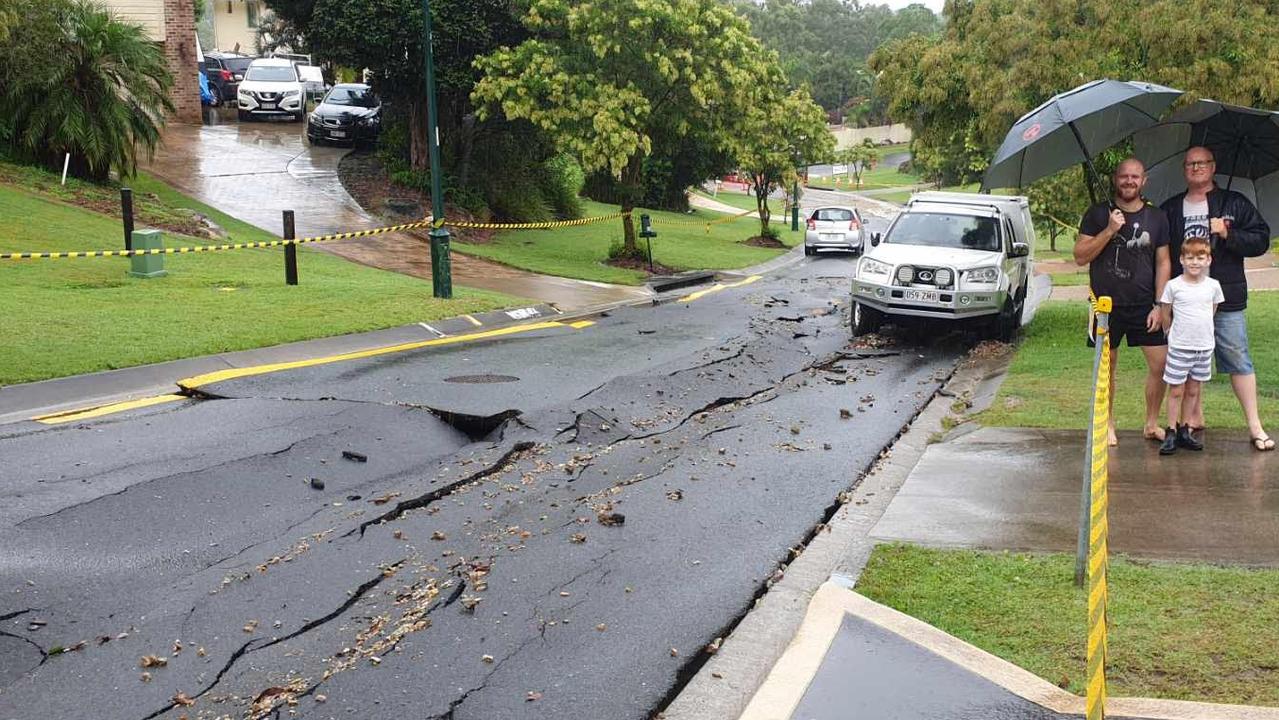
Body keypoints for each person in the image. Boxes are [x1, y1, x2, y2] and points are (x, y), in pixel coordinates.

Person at [1160, 147, 1274, 452]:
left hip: (1225, 298)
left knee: (1238, 358)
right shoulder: (1171, 208)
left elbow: (1261, 239)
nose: (1196, 168)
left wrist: (1228, 233)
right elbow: (1161, 255)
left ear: (1213, 166)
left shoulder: (1234, 203)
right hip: (1184, 302)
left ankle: (1255, 425)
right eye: (1190, 164)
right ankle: (1190, 420)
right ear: (1184, 169)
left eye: (1202, 163)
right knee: (1188, 363)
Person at [1074, 158, 1172, 446]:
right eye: (1124, 176)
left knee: (1161, 364)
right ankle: (1109, 424)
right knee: (1107, 367)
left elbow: (1164, 262)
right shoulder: (1097, 214)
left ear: (1144, 181)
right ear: (1115, 179)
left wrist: (1160, 304)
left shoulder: (1157, 218)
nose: (1129, 181)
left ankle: (1151, 423)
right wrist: (1109, 230)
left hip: (1145, 305)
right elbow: (1080, 256)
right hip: (1105, 306)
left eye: (1135, 177)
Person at [1158, 237, 1223, 455]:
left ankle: (1186, 429)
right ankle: (1171, 430)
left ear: (1208, 260)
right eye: (1190, 258)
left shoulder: (1213, 286)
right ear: (1182, 260)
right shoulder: (1174, 286)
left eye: (1200, 257)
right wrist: (1171, 334)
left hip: (1203, 346)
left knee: (1193, 390)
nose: (1194, 262)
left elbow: (1211, 310)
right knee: (1176, 390)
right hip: (1180, 347)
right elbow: (1165, 314)